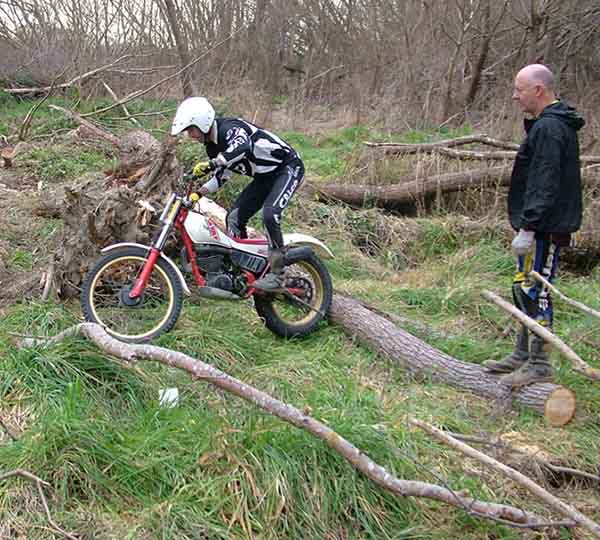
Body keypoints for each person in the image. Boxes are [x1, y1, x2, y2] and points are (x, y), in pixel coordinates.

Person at [482, 64, 585, 387]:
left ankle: (539, 364)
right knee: (521, 288)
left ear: (538, 90)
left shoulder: (552, 129)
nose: (515, 96)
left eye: (519, 89)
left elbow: (545, 181)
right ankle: (521, 353)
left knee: (536, 290)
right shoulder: (544, 125)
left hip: (545, 228)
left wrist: (529, 227)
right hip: (536, 226)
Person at [171, 96, 305, 291]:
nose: (190, 135)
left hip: (288, 167)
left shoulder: (230, 128)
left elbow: (242, 146)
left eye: (191, 129)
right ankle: (244, 272)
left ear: (202, 122)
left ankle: (277, 273)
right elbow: (222, 177)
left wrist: (212, 163)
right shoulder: (212, 147)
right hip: (264, 178)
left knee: (270, 214)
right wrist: (198, 194)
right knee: (233, 218)